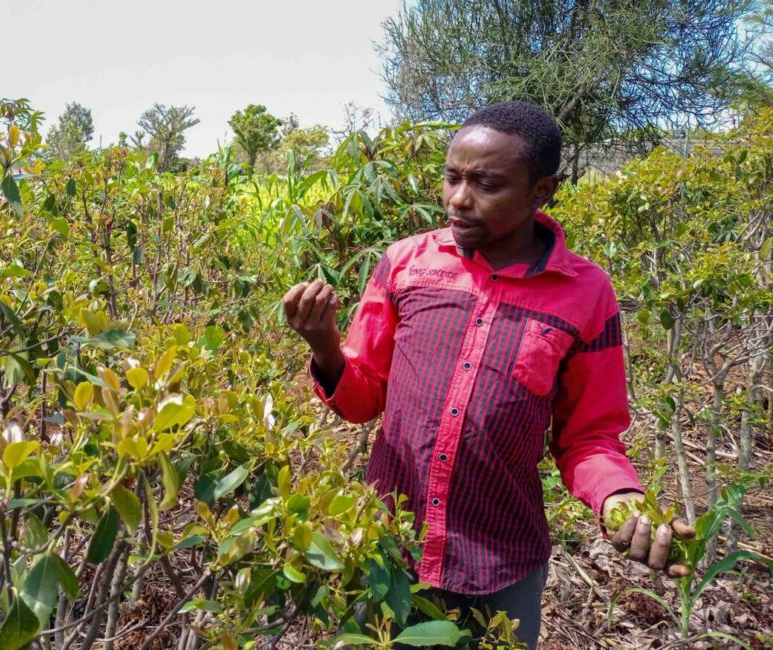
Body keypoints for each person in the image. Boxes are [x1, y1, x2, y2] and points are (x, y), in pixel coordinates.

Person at [282, 101, 695, 649]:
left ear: (541, 191)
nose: (458, 198)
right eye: (452, 177)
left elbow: (590, 437)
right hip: (386, 548)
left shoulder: (586, 293)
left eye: (487, 183)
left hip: (500, 565)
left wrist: (619, 496)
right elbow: (363, 400)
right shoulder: (407, 264)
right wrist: (324, 345)